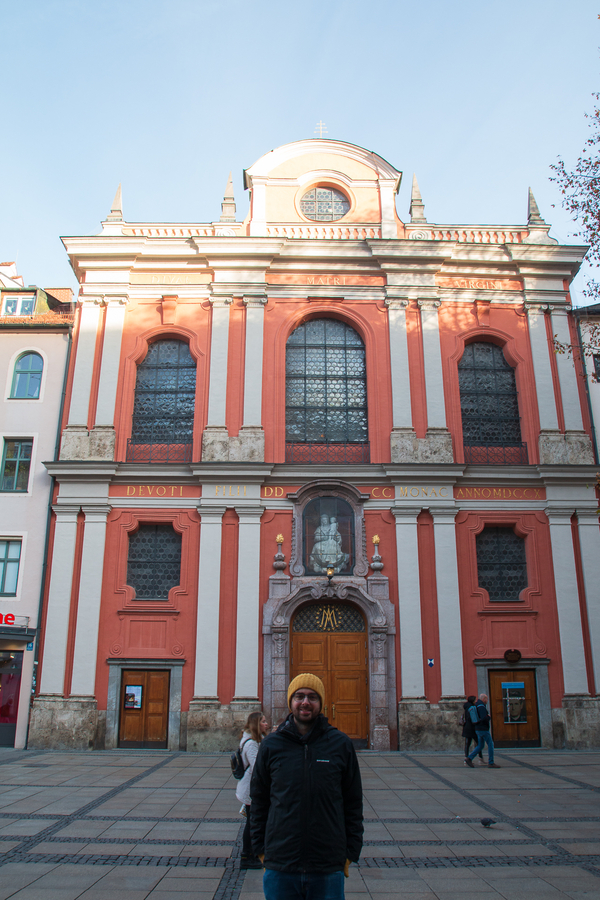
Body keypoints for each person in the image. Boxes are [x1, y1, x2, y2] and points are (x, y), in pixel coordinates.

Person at [250, 673, 363, 900]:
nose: (305, 702)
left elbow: (353, 802)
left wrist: (350, 852)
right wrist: (261, 850)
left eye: (312, 697)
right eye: (299, 696)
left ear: (321, 703)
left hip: (327, 864)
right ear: (290, 702)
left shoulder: (340, 745)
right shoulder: (272, 745)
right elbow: (259, 800)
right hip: (281, 863)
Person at [236, 711, 270, 869]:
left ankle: (252, 853)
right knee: (251, 822)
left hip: (253, 787)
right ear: (257, 724)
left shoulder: (257, 740)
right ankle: (247, 856)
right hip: (251, 789)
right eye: (263, 721)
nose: (266, 724)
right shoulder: (251, 744)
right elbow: (258, 766)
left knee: (253, 821)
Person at [464, 694, 501, 768]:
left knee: (480, 745)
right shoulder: (481, 707)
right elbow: (483, 718)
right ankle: (491, 762)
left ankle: (469, 758)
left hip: (477, 728)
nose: (487, 701)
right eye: (487, 699)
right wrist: (488, 717)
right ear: (483, 699)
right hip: (483, 729)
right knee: (490, 744)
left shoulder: (477, 705)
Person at [462, 695, 484, 766]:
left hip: (466, 727)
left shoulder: (466, 707)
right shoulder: (472, 708)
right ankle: (480, 758)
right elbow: (474, 719)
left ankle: (466, 757)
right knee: (479, 743)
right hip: (472, 728)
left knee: (468, 744)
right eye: (475, 700)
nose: (476, 701)